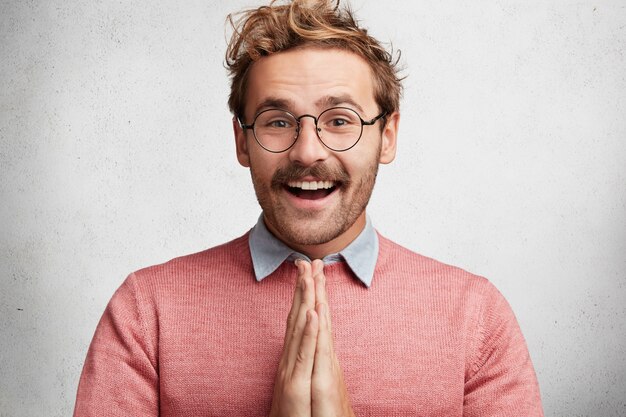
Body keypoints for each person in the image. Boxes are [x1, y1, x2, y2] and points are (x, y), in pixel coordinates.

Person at [73, 0, 544, 416]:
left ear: (389, 136)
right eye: (278, 121)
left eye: (340, 120)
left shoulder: (475, 317)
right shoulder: (145, 312)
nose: (307, 151)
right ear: (242, 141)